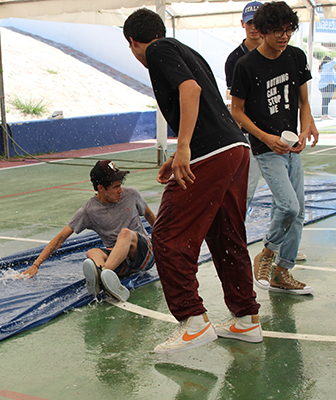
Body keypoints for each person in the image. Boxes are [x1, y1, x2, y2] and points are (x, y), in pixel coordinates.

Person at [123, 8, 262, 354]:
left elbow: (190, 91)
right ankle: (246, 318)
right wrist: (179, 153)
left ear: (133, 43)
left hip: (210, 154)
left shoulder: (156, 51)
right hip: (235, 148)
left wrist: (183, 146)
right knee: (226, 234)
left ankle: (193, 321)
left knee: (168, 235)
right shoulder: (187, 50)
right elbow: (210, 104)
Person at [230, 1, 319, 296]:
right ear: (263, 30)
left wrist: (305, 129)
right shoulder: (246, 65)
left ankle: (283, 272)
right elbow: (237, 112)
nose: (284, 36)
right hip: (266, 148)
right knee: (288, 206)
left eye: (289, 30)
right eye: (278, 31)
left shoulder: (295, 56)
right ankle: (266, 253)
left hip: (292, 146)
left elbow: (304, 102)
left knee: (300, 211)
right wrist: (264, 137)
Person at [18, 160, 156, 302]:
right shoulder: (88, 211)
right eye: (116, 187)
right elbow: (61, 238)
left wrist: (166, 243)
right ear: (101, 188)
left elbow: (150, 216)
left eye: (120, 185)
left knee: (125, 233)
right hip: (120, 263)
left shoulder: (131, 194)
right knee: (92, 253)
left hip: (144, 254)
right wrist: (36, 265)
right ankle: (107, 280)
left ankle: (103, 276)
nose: (121, 190)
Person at [225, 1, 264, 213]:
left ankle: (274, 244)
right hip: (249, 134)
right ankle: (235, 239)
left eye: (258, 22)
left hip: (275, 132)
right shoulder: (234, 59)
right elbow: (236, 102)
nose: (254, 27)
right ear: (242, 24)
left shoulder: (278, 52)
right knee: (244, 190)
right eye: (250, 22)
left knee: (287, 198)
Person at [318, 55, 336, 120]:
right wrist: (334, 59)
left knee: (327, 100)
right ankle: (324, 115)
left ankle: (325, 114)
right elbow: (333, 62)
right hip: (326, 86)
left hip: (329, 85)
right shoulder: (326, 66)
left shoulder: (328, 67)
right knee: (325, 100)